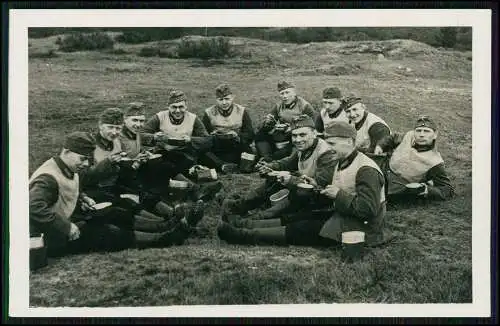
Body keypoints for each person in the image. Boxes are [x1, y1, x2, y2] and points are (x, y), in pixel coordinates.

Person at [29, 132, 205, 259]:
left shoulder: (67, 166)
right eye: (82, 159)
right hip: (48, 238)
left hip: (62, 225)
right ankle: (163, 239)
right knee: (105, 232)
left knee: (113, 213)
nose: (86, 164)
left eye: (88, 159)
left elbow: (67, 187)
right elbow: (33, 206)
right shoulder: (47, 178)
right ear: (66, 152)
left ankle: (164, 225)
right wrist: (66, 227)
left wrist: (82, 197)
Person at [218, 121, 388, 247]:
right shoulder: (343, 160)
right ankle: (244, 224)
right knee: (301, 216)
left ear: (350, 142)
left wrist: (337, 194)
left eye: (332, 143)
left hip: (362, 229)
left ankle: (242, 235)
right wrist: (317, 187)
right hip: (345, 215)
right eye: (328, 143)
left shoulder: (366, 170)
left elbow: (368, 209)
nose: (329, 148)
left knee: (302, 228)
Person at [221, 114, 336, 222]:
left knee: (293, 191)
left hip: (321, 197)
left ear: (314, 133)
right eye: (294, 135)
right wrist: (269, 166)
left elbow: (320, 184)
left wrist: (291, 180)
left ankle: (256, 219)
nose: (297, 140)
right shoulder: (306, 146)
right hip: (307, 188)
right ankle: (239, 206)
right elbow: (287, 162)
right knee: (276, 178)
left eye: (302, 135)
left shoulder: (325, 153)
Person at [142, 90, 223, 201]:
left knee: (177, 165)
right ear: (168, 106)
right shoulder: (159, 117)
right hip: (163, 152)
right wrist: (154, 137)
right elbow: (141, 134)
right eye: (174, 107)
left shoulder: (193, 118)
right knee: (165, 165)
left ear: (186, 106)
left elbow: (207, 140)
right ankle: (197, 188)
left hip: (185, 154)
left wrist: (191, 139)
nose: (178, 111)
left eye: (181, 107)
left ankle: (188, 185)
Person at [373, 115, 454, 201]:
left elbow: (447, 189)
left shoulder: (435, 162)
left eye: (426, 131)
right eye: (418, 131)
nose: (421, 135)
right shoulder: (409, 136)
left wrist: (426, 189)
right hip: (383, 166)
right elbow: (393, 138)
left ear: (435, 134)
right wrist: (381, 146)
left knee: (373, 193)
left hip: (396, 185)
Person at [199, 83, 255, 174]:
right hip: (217, 148)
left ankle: (235, 166)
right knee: (202, 152)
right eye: (220, 99)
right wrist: (213, 135)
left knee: (249, 151)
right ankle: (223, 165)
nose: (224, 103)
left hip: (235, 146)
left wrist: (237, 135)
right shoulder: (209, 112)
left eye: (227, 99)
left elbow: (250, 133)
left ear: (232, 97)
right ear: (216, 100)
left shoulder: (241, 110)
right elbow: (203, 135)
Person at [254, 80, 317, 161]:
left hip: (297, 134)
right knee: (260, 135)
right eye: (282, 93)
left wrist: (291, 128)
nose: (284, 96)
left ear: (294, 93)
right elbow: (270, 122)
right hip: (283, 134)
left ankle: (276, 159)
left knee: (290, 147)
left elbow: (312, 126)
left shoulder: (305, 106)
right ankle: (266, 157)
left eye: (287, 92)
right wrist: (268, 122)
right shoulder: (278, 106)